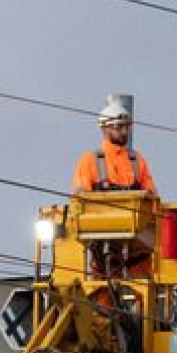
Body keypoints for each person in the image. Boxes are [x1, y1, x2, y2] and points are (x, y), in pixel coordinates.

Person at [72, 100, 157, 281]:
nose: (124, 132)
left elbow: (152, 198)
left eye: (126, 127)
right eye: (118, 127)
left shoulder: (137, 160)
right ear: (104, 129)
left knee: (141, 295)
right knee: (103, 296)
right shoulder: (90, 161)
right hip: (103, 245)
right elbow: (80, 198)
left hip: (137, 249)